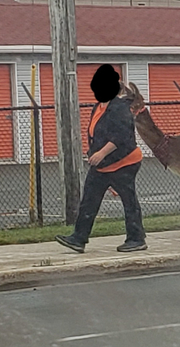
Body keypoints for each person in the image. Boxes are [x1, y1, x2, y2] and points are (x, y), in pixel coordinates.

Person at [55, 64, 147, 253]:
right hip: (103, 165)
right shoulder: (99, 106)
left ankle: (136, 239)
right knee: (89, 199)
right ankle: (78, 239)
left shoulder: (120, 108)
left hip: (125, 161)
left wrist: (101, 153)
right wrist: (93, 153)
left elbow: (120, 136)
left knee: (129, 200)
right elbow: (97, 133)